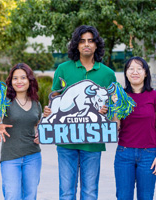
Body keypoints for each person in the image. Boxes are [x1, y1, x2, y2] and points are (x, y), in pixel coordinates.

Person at [44, 25, 116, 199]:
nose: (86, 44)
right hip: (66, 141)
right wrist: (49, 111)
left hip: (93, 142)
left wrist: (107, 111)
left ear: (96, 45)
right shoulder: (63, 69)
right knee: (66, 192)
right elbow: (55, 97)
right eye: (82, 41)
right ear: (76, 45)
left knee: (90, 192)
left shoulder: (108, 73)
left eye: (91, 41)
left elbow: (114, 105)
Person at [0, 63, 42, 200]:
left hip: (33, 156)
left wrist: (41, 135)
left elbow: (38, 126)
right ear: (11, 81)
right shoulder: (4, 102)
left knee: (30, 196)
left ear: (29, 80)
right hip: (10, 157)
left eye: (23, 77)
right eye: (15, 78)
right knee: (12, 196)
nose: (19, 81)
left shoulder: (36, 103)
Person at [114, 57, 156, 200]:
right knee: (123, 196)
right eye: (130, 68)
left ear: (146, 73)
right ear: (126, 73)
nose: (135, 72)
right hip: (124, 153)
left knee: (146, 197)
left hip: (149, 155)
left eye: (139, 68)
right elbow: (116, 127)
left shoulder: (154, 96)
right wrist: (115, 108)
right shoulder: (121, 96)